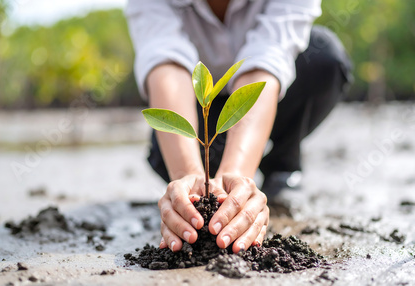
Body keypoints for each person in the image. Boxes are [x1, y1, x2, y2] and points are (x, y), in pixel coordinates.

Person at [125, 0, 352, 253]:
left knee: (323, 57)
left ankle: (281, 166)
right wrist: (185, 174)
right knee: (182, 165)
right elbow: (167, 64)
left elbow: (266, 62)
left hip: (265, 99)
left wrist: (237, 178)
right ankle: (196, 183)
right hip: (192, 111)